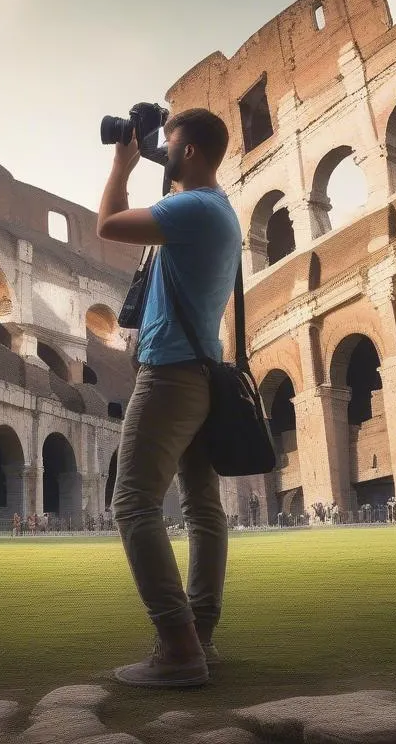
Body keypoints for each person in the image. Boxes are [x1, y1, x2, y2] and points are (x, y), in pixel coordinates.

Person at [97, 108, 240, 689]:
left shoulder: (193, 208)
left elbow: (107, 223)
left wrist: (121, 163)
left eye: (171, 147)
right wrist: (153, 151)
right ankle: (199, 632)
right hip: (203, 371)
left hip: (171, 374)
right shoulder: (218, 209)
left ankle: (179, 645)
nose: (165, 154)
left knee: (132, 504)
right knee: (204, 509)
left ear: (191, 153)